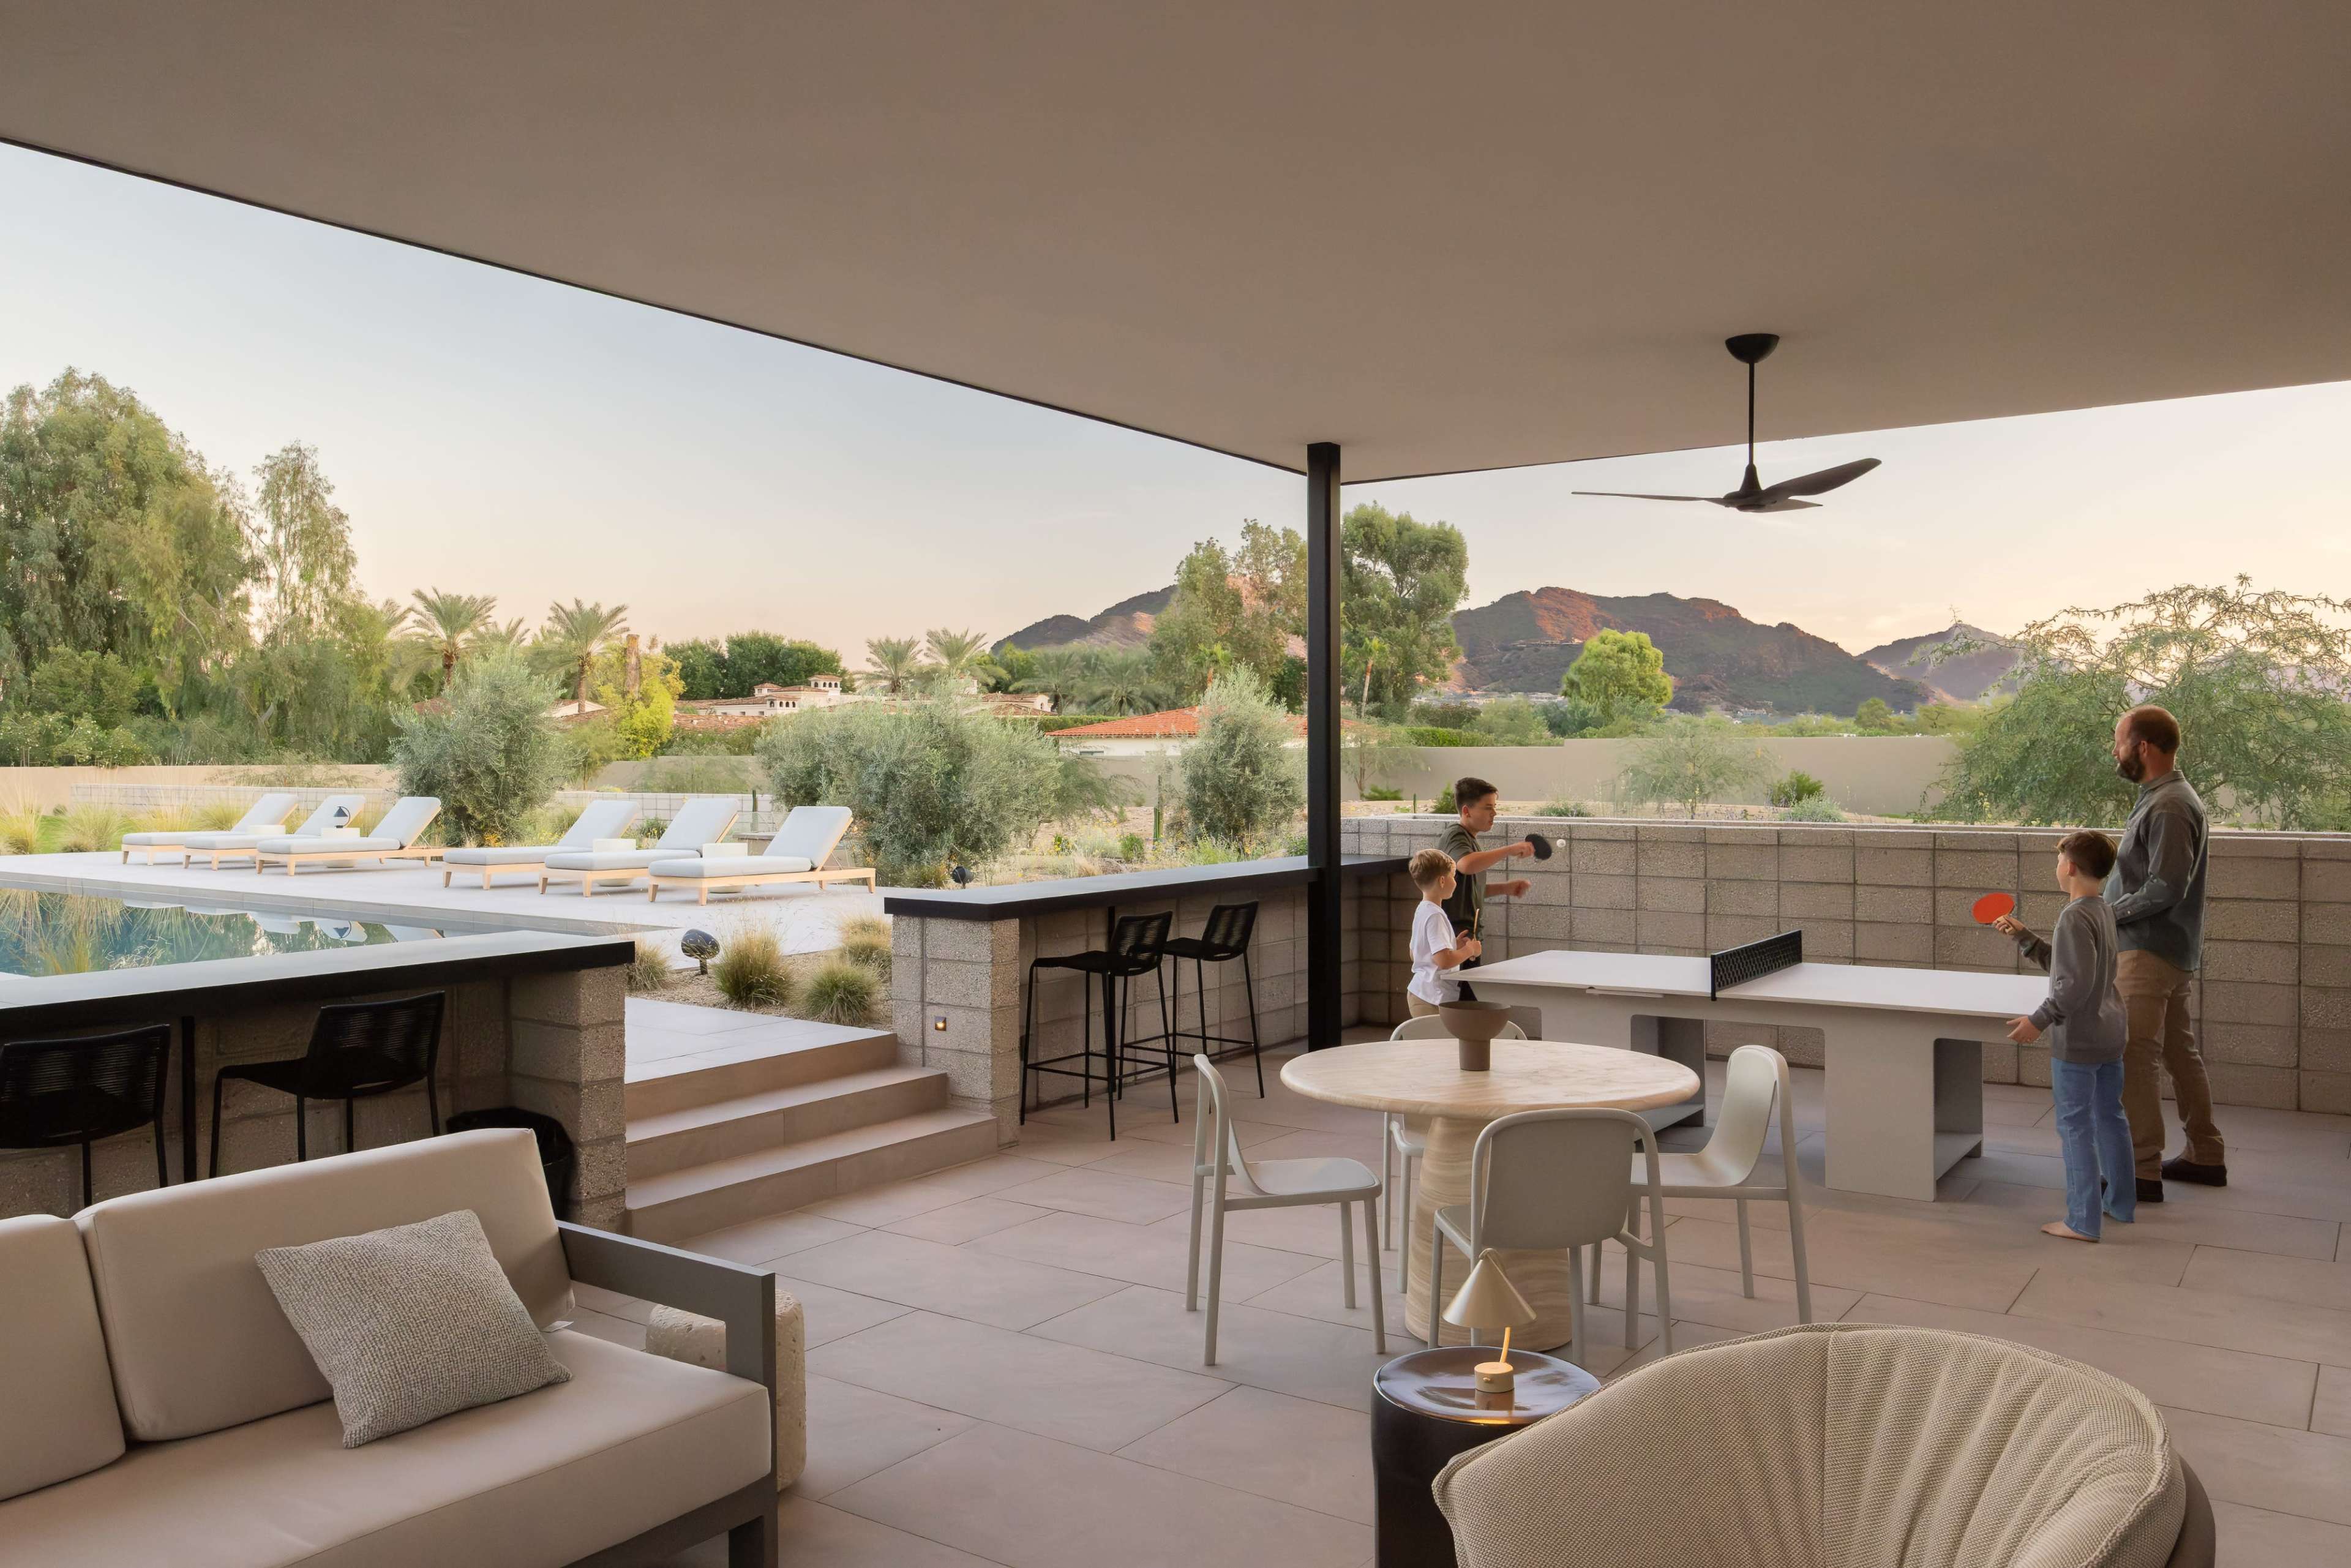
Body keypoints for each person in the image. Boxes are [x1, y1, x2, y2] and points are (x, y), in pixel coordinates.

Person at [2106, 704, 2224, 1202]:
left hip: (2149, 954)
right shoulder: (2161, 797)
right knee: (2179, 1052)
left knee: (2136, 1057)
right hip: (2165, 950)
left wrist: (2105, 916)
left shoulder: (2171, 804)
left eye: (2119, 740)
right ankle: (2206, 1154)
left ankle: (2141, 1170)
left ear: (2144, 747)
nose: (2114, 750)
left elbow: (2165, 887)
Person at [1995, 831, 2131, 1242]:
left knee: (2075, 1127)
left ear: (2070, 866)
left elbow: (2071, 986)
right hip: (2110, 1032)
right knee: (2111, 1117)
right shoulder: (2101, 908)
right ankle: (2121, 1204)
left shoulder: (2073, 915)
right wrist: (2025, 937)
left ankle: (2082, 1221)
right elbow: (2074, 967)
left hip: (2079, 1040)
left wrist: (2039, 1019)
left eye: (2058, 861)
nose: (2056, 868)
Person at [1435, 777, 1534, 998]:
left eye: (1495, 807)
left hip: (1467, 940)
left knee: (1467, 1005)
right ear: (1467, 811)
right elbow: (1467, 865)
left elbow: (1466, 888)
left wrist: (1504, 888)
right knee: (1461, 1008)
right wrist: (1510, 849)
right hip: (1457, 940)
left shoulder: (1470, 839)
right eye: (1488, 808)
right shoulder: (1456, 835)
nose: (1494, 814)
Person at [1405, 847, 1482, 1018]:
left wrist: (1452, 945)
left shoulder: (1423, 909)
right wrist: (1470, 950)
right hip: (1431, 998)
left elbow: (1415, 953)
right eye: (1453, 877)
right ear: (1442, 881)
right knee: (1437, 1044)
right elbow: (1443, 961)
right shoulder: (1435, 915)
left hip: (1422, 993)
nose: (1455, 882)